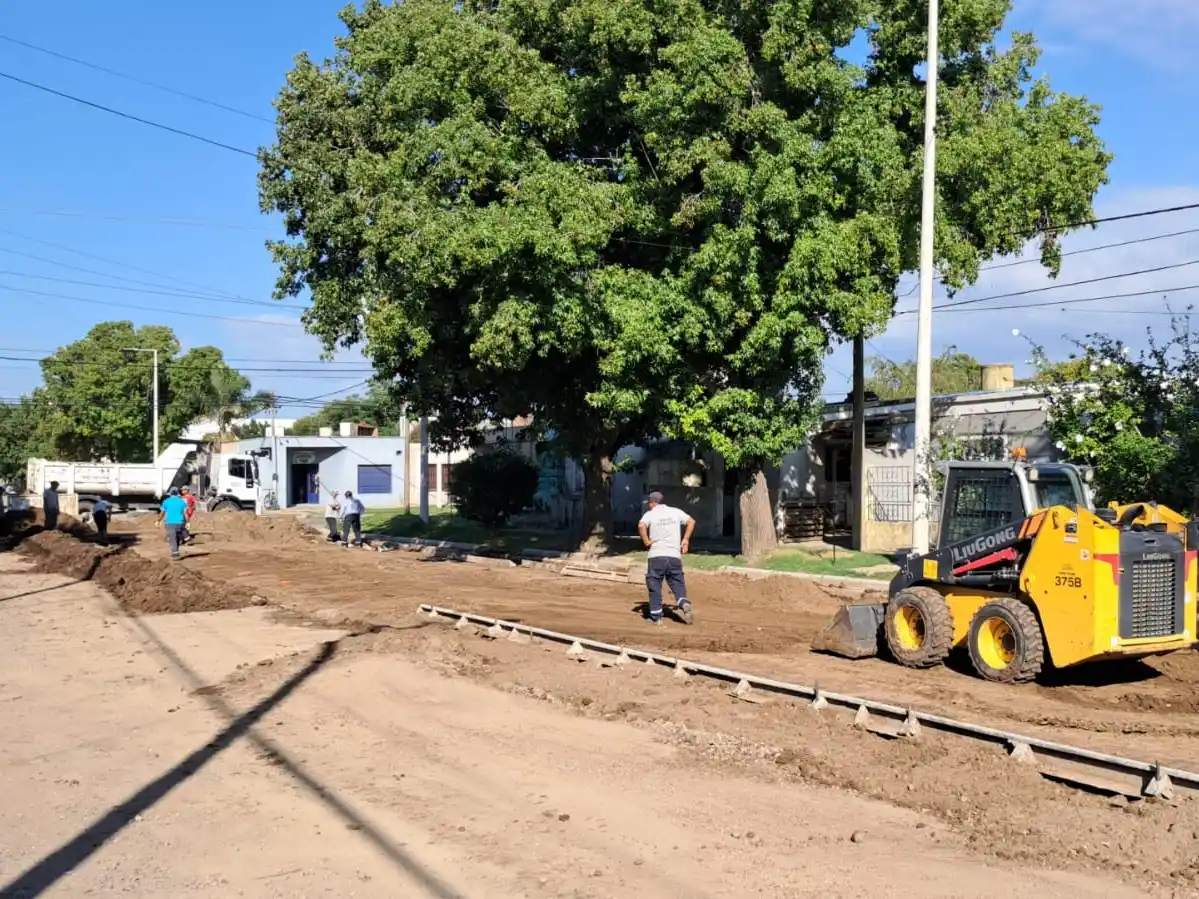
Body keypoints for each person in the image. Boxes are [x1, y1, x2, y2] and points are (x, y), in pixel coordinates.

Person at [638, 490, 696, 626]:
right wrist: (685, 540)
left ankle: (656, 617)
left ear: (652, 503)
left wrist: (646, 541)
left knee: (655, 584)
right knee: (677, 581)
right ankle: (683, 602)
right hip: (674, 555)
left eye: (649, 504)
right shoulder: (675, 511)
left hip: (657, 555)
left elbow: (641, 525)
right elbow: (691, 521)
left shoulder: (650, 514)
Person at [157, 487, 189, 562]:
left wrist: (158, 521)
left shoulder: (166, 501)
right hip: (180, 523)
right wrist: (188, 522)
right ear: (178, 493)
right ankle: (176, 550)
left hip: (169, 523)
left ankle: (175, 555)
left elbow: (162, 513)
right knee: (177, 537)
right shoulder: (182, 502)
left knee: (172, 539)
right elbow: (186, 513)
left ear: (170, 493)